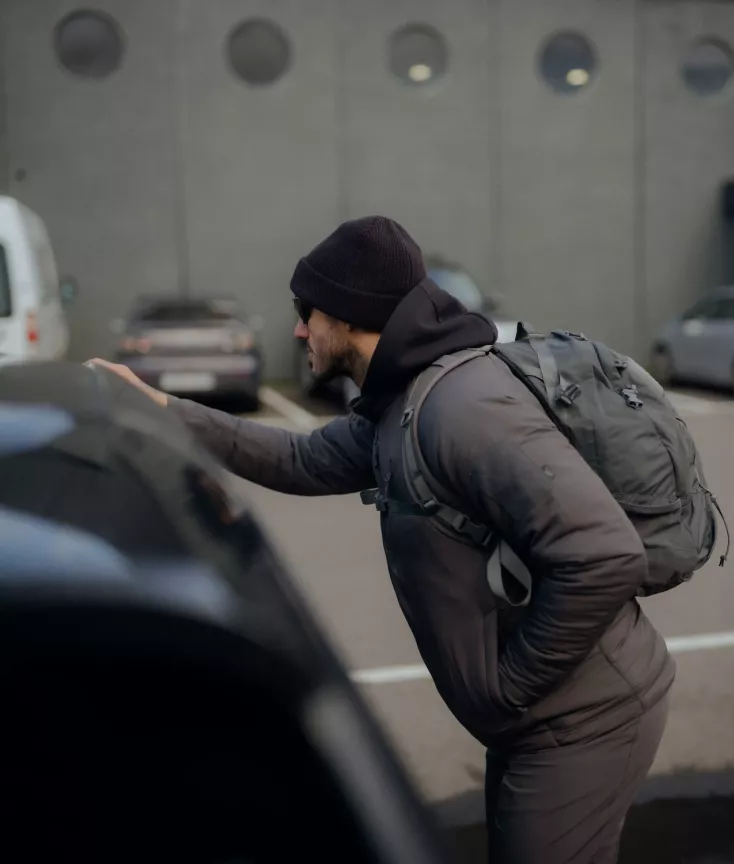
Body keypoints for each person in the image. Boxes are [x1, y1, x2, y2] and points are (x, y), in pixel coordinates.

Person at [89, 216, 674, 864]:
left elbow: (603, 555)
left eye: (306, 311)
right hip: (534, 720)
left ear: (349, 314)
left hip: (584, 719)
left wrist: (509, 689)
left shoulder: (462, 410)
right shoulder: (404, 401)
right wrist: (164, 410)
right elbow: (303, 459)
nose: (298, 330)